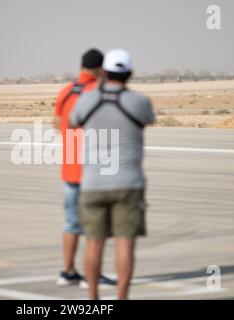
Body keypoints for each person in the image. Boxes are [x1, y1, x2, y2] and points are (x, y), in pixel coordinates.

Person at [69, 49, 155, 299]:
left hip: (93, 182)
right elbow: (148, 119)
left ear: (104, 72)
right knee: (125, 243)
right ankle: (121, 297)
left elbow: (73, 122)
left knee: (94, 243)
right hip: (128, 183)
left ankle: (93, 298)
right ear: (130, 74)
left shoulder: (86, 100)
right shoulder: (140, 102)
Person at [54, 49, 116, 289]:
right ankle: (94, 275)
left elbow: (58, 123)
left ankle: (68, 272)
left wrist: (72, 144)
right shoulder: (99, 92)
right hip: (93, 170)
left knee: (71, 223)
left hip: (70, 169)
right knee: (96, 224)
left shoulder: (66, 91)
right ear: (101, 69)